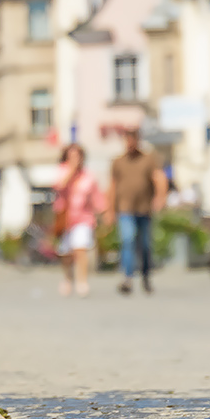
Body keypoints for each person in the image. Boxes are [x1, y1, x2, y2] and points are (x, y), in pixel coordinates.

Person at [107, 127, 168, 295]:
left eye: (132, 139)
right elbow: (112, 187)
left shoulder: (148, 159)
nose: (130, 143)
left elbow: (159, 178)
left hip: (144, 209)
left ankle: (146, 277)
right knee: (128, 241)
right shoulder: (118, 161)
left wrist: (160, 197)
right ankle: (127, 278)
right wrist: (110, 210)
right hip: (125, 209)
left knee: (146, 246)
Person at [53, 144, 105, 297]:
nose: (76, 160)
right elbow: (59, 186)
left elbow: (96, 197)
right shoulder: (61, 171)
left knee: (80, 249)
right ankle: (68, 278)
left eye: (78, 157)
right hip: (65, 218)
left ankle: (82, 281)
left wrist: (104, 211)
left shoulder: (88, 176)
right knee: (67, 253)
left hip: (84, 218)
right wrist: (71, 171)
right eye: (72, 157)